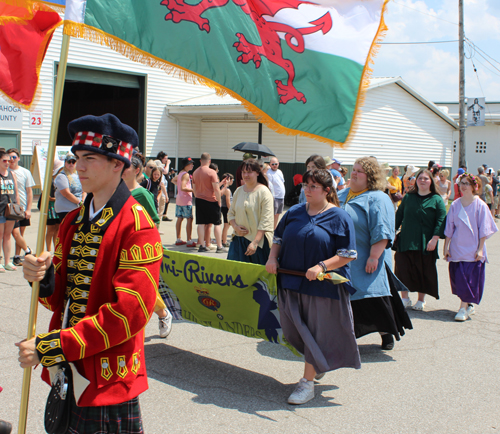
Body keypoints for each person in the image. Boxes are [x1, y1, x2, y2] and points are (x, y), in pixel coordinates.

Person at [17, 113, 162, 431]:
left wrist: (55, 345)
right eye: (77, 157)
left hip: (108, 377)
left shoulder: (137, 227)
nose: (78, 166)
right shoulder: (72, 222)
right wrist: (41, 278)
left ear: (117, 164)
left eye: (90, 158)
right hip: (69, 369)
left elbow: (130, 314)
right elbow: (58, 301)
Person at [265, 169, 360, 405]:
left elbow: (348, 255)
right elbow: (278, 238)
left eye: (313, 187)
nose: (307, 190)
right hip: (290, 282)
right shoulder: (295, 212)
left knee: (312, 333)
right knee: (292, 331)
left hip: (321, 288)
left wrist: (322, 266)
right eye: (305, 185)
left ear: (327, 191)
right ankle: (317, 361)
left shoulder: (339, 217)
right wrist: (272, 258)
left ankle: (307, 384)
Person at [338, 157, 412, 351]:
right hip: (343, 259)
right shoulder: (341, 195)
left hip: (367, 256)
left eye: (359, 171)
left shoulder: (377, 198)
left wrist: (374, 256)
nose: (353, 173)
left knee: (374, 297)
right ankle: (345, 336)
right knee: (347, 299)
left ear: (370, 177)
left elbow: (382, 230)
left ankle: (386, 332)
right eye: (353, 169)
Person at [122, 151, 172, 338]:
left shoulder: (142, 193)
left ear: (137, 170)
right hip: (121, 246)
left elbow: (153, 219)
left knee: (142, 287)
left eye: (125, 167)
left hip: (139, 248)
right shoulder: (116, 190)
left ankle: (163, 314)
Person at [443, 172, 498, 321]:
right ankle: (468, 305)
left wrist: (480, 249)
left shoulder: (480, 204)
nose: (463, 186)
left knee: (468, 278)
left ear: (475, 186)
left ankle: (463, 308)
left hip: (473, 249)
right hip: (457, 247)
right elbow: (449, 228)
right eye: (462, 183)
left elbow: (484, 229)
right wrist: (446, 247)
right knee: (459, 278)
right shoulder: (455, 204)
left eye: (467, 183)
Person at [395, 169, 447, 310]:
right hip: (406, 239)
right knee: (402, 268)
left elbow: (441, 220)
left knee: (423, 270)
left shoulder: (436, 199)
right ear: (416, 180)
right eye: (420, 178)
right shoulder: (408, 197)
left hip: (426, 242)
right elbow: (399, 215)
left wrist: (435, 238)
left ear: (431, 181)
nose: (422, 181)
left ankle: (420, 299)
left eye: (426, 178)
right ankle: (404, 298)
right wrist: (392, 231)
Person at [227, 161, 273, 264]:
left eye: (249, 172)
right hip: (238, 241)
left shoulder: (264, 192)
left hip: (258, 243)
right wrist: (235, 227)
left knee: (257, 277)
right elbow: (230, 213)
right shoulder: (238, 191)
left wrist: (255, 242)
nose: (246, 175)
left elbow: (266, 221)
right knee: (236, 275)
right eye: (243, 172)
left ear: (257, 173)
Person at [192, 153, 227, 253]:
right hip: (211, 200)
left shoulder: (195, 172)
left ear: (200, 160)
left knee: (201, 223)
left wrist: (198, 196)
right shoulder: (212, 172)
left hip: (199, 200)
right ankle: (219, 246)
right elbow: (216, 189)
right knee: (217, 223)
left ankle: (202, 245)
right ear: (209, 161)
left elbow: (194, 189)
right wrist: (219, 200)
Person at [7, 149, 34, 266]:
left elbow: (29, 192)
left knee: (20, 234)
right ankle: (27, 250)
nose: (12, 159)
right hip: (8, 208)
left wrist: (29, 209)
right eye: (10, 157)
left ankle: (17, 257)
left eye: (14, 157)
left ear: (18, 158)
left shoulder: (25, 172)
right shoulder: (5, 171)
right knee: (14, 233)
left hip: (22, 207)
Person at [0, 150, 19, 271]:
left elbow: (16, 193)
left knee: (8, 235)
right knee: (0, 235)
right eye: (4, 161)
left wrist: (18, 207)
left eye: (9, 160)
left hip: (11, 209)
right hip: (0, 209)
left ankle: (7, 262)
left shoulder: (12, 174)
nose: (8, 163)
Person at [54, 153, 84, 221]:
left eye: (73, 162)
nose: (71, 164)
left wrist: (83, 200)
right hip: (66, 209)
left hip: (78, 208)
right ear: (65, 163)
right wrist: (79, 202)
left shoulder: (77, 175)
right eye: (69, 162)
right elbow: (66, 193)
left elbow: (84, 191)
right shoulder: (61, 176)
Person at [174, 157, 196, 247]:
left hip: (179, 199)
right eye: (191, 164)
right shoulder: (186, 175)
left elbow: (174, 180)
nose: (192, 165)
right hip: (186, 200)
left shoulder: (180, 173)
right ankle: (189, 240)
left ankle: (178, 239)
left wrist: (178, 186)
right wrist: (194, 190)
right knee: (189, 219)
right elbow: (183, 187)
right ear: (186, 165)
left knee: (180, 218)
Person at [44, 157, 64, 252]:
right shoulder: (49, 180)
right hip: (50, 208)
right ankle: (48, 250)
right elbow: (47, 196)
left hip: (58, 207)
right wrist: (60, 198)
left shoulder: (61, 179)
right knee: (50, 230)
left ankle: (56, 250)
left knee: (57, 229)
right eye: (61, 168)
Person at [266, 156, 286, 229]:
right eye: (272, 164)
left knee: (277, 214)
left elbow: (282, 182)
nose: (274, 165)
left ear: (278, 164)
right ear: (270, 164)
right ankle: (270, 229)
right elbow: (269, 185)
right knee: (272, 215)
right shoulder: (269, 173)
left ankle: (274, 229)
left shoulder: (280, 172)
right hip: (274, 197)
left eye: (276, 164)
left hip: (281, 197)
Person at [220, 172, 234, 247]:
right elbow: (228, 202)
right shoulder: (227, 190)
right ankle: (224, 241)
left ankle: (223, 240)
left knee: (226, 225)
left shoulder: (222, 188)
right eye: (232, 180)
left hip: (224, 208)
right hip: (226, 209)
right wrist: (231, 211)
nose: (232, 181)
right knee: (226, 226)